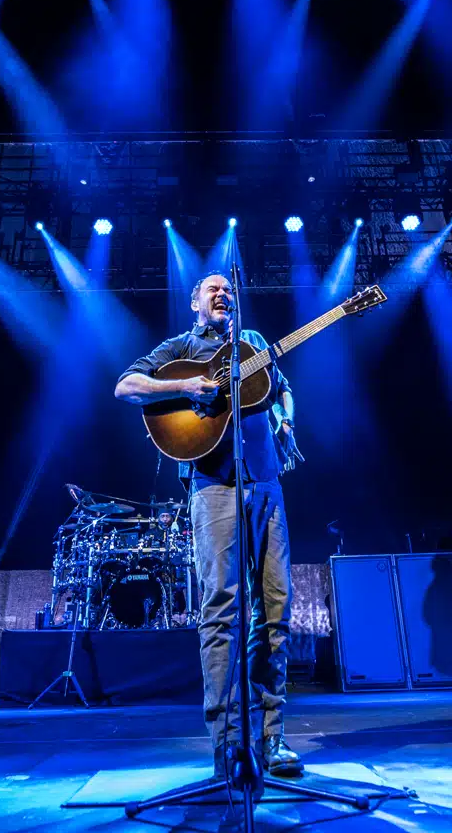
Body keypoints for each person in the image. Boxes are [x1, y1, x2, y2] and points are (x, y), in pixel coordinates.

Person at [115, 271, 302, 779]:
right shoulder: (180, 347)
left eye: (229, 289)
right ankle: (228, 743)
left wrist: (286, 419)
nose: (223, 294)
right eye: (212, 289)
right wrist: (185, 384)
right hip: (212, 485)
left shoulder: (252, 341)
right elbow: (125, 386)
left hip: (266, 482)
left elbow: (284, 390)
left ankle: (272, 737)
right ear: (196, 300)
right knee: (222, 608)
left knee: (275, 609)